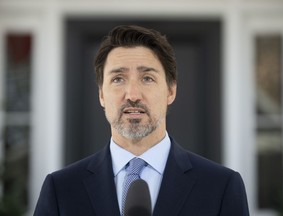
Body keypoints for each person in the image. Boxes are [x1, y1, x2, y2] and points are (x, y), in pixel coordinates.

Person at [34, 25, 249, 216]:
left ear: (171, 91)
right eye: (118, 79)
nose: (133, 94)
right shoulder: (61, 189)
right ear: (101, 94)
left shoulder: (221, 187)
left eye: (147, 78)